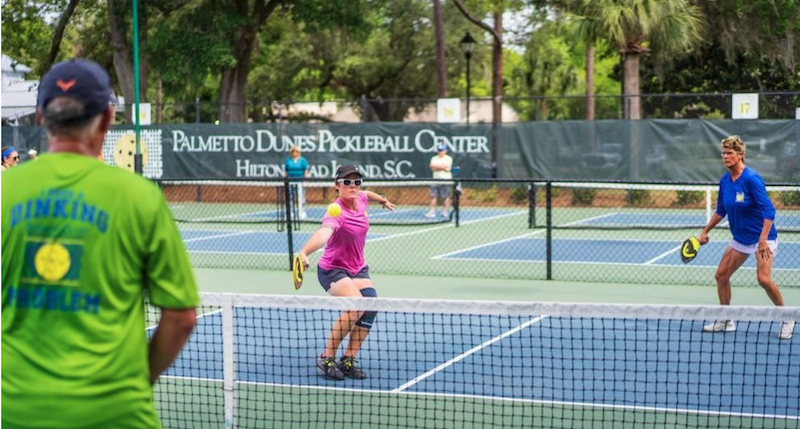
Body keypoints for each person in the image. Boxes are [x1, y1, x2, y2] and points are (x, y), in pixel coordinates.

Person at [2, 59, 200, 428]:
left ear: (40, 117)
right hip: (117, 414)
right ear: (108, 118)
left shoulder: (4, 192)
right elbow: (181, 317)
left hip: (14, 412)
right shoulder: (140, 197)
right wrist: (138, 383)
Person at [296, 165, 396, 380]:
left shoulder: (360, 198)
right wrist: (304, 251)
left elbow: (367, 194)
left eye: (356, 182)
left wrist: (382, 200)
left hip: (358, 267)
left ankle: (348, 359)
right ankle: (327, 358)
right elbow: (324, 233)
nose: (353, 186)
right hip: (333, 269)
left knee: (371, 305)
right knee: (355, 307)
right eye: (347, 182)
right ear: (337, 185)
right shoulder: (336, 211)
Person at [699, 135, 794, 340]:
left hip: (763, 238)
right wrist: (705, 231)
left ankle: (787, 318)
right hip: (740, 239)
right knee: (721, 276)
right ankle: (726, 318)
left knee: (763, 279)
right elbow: (721, 210)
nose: (725, 157)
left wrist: (762, 239)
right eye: (723, 153)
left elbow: (769, 210)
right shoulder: (725, 180)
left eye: (729, 153)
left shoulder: (751, 178)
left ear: (740, 155)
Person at [426, 143, 453, 218]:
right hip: (435, 181)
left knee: (446, 196)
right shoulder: (434, 158)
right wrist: (441, 167)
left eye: (442, 150)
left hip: (446, 181)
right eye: (439, 150)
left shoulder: (449, 158)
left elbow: (446, 167)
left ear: (445, 151)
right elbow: (432, 167)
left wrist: (437, 167)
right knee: (433, 196)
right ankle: (431, 212)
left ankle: (445, 211)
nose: (440, 152)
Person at [284, 146, 310, 219]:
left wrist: (305, 180)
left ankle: (301, 212)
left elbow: (306, 171)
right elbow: (286, 171)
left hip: (300, 182)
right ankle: (291, 213)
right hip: (290, 182)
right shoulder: (288, 160)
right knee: (290, 198)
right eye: (293, 151)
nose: (294, 153)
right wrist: (284, 179)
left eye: (296, 151)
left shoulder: (302, 160)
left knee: (301, 198)